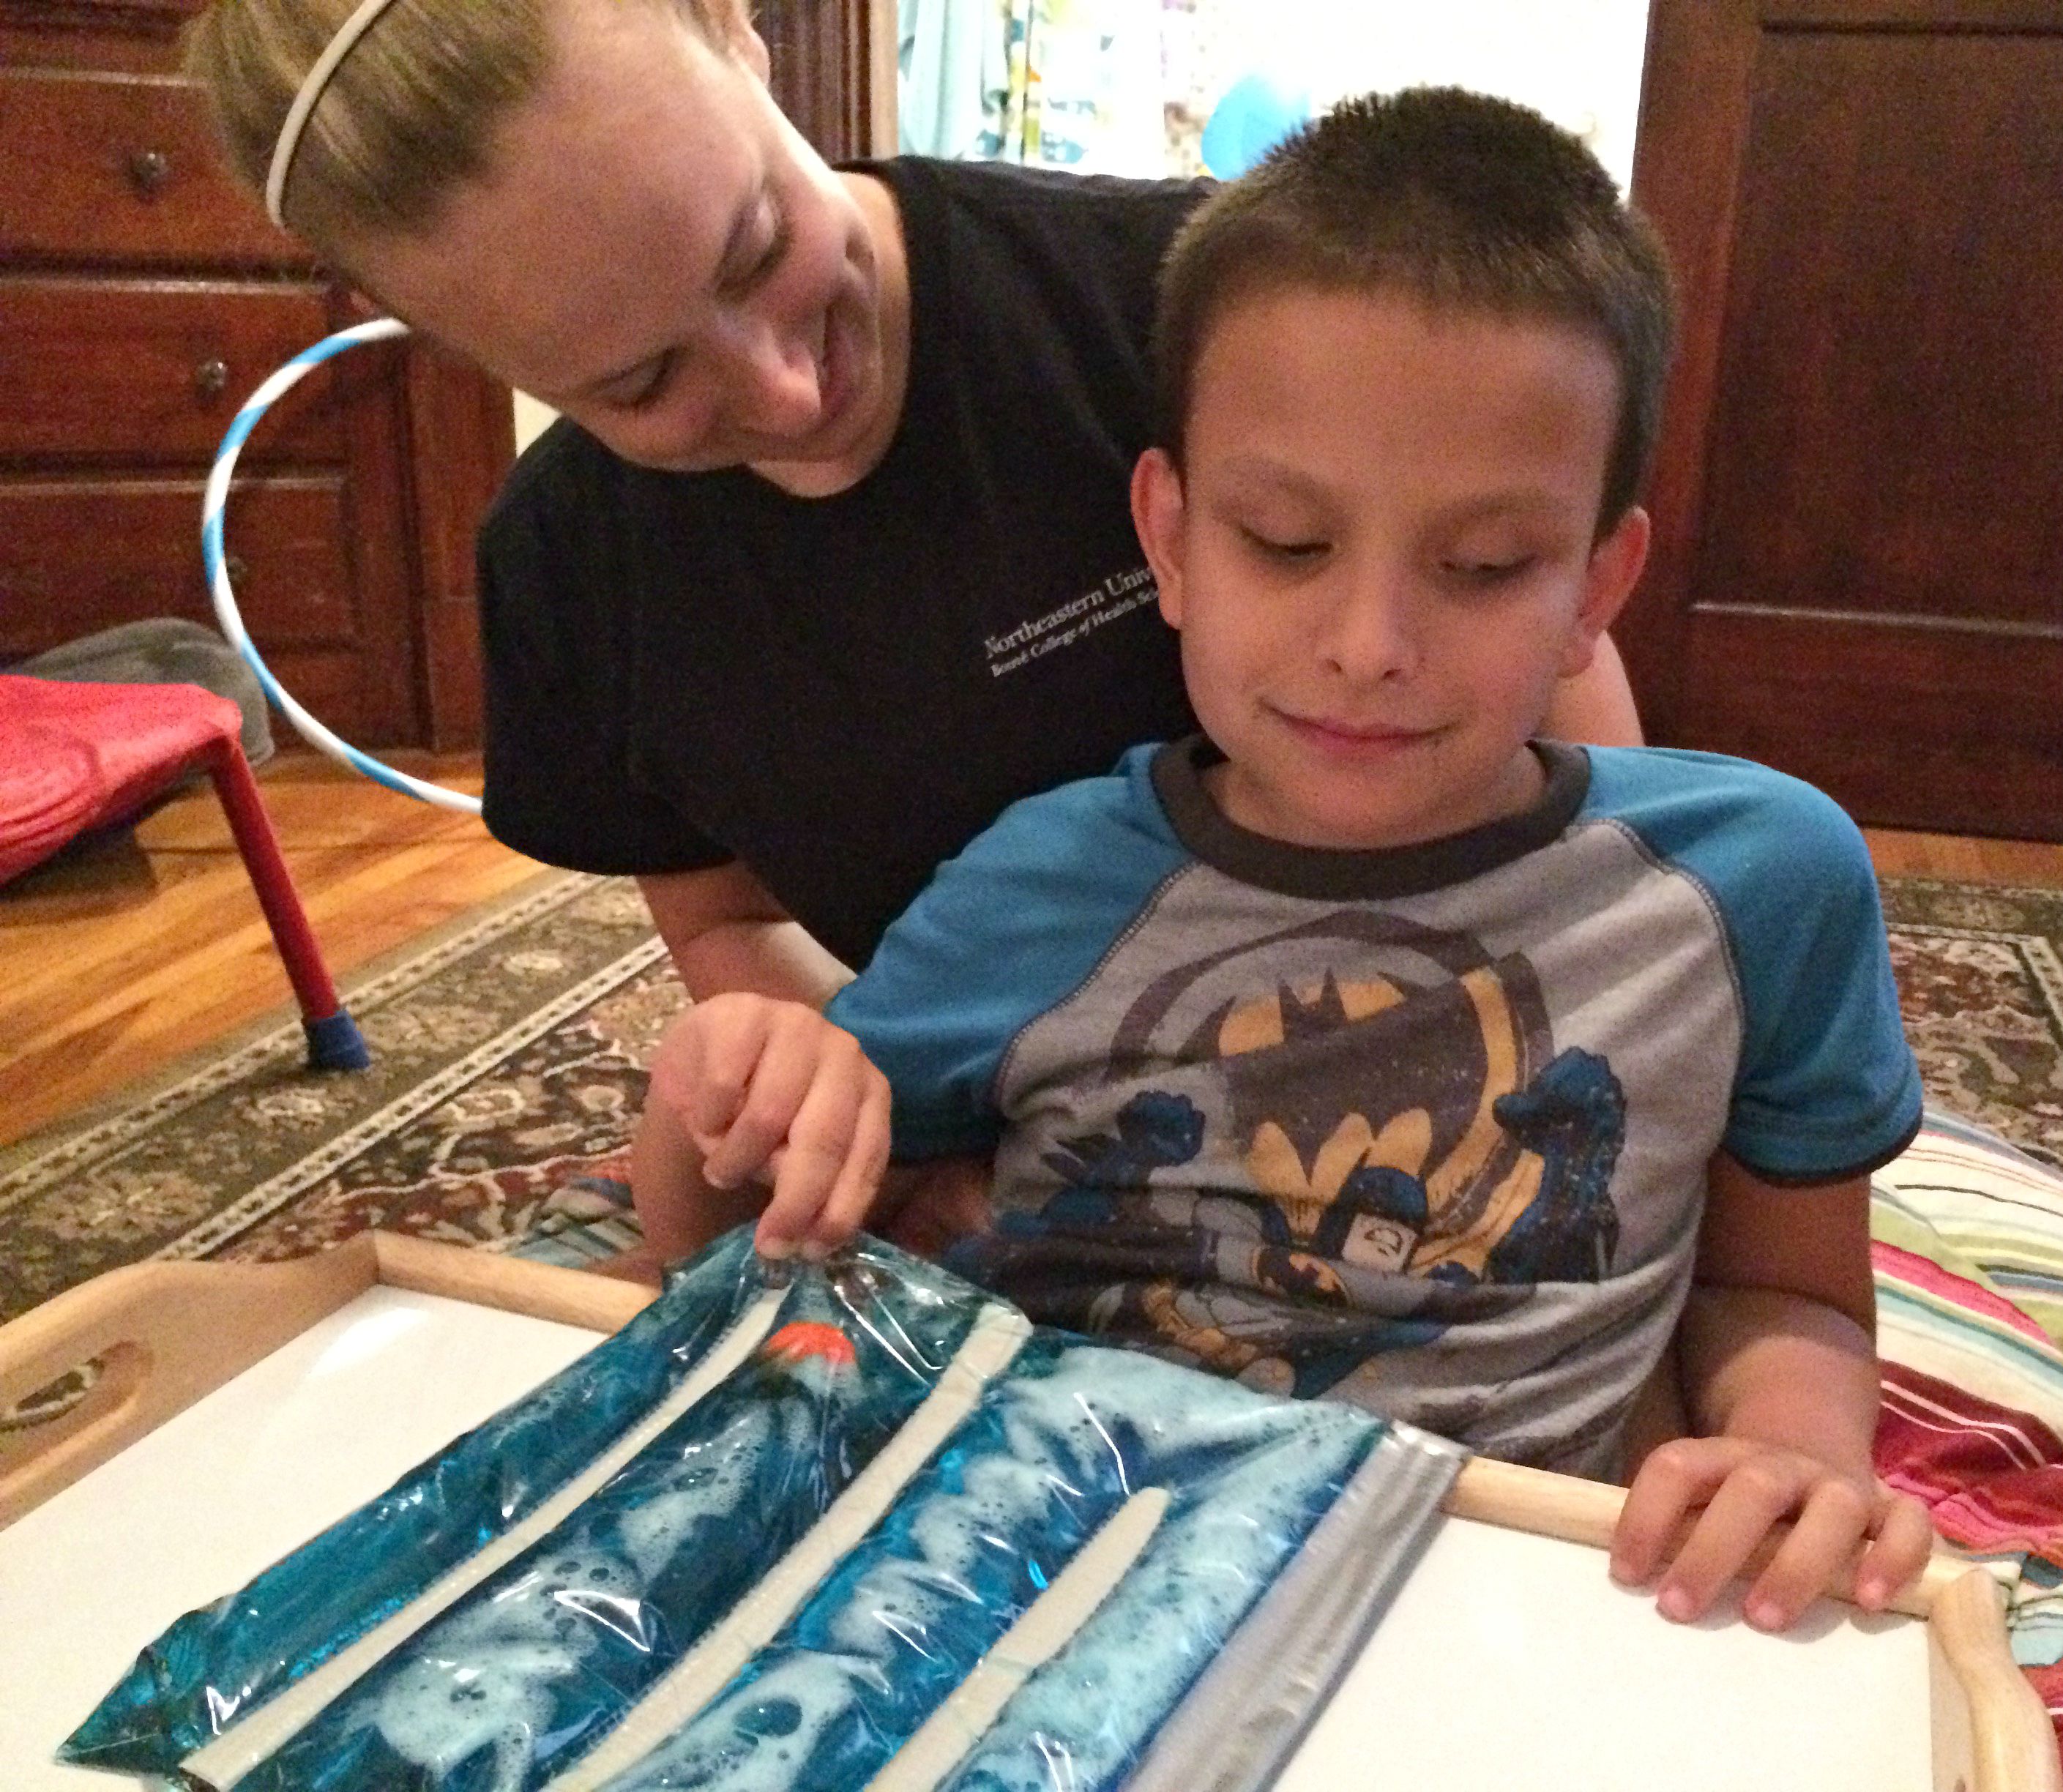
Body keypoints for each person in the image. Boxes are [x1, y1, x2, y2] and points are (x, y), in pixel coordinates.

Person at [646, 86, 1936, 1633]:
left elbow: (1788, 1291)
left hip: (1508, 1616)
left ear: (1599, 584)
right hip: (1044, 1592)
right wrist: (718, 1090)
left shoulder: (1763, 883)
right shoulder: (1035, 885)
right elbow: (741, 1263)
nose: (1371, 647)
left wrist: (1789, 1457)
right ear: (1172, 541)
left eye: (1482, 567)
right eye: (1286, 541)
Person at [182, 0, 1647, 1262]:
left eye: (758, 250)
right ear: (450, 345)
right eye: (638, 385)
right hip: (1017, 1139)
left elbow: (1544, 693)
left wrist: (1620, 1012)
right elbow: (737, 931)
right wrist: (880, 1119)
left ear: (736, 26)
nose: (785, 395)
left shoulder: (1194, 307)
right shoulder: (569, 575)